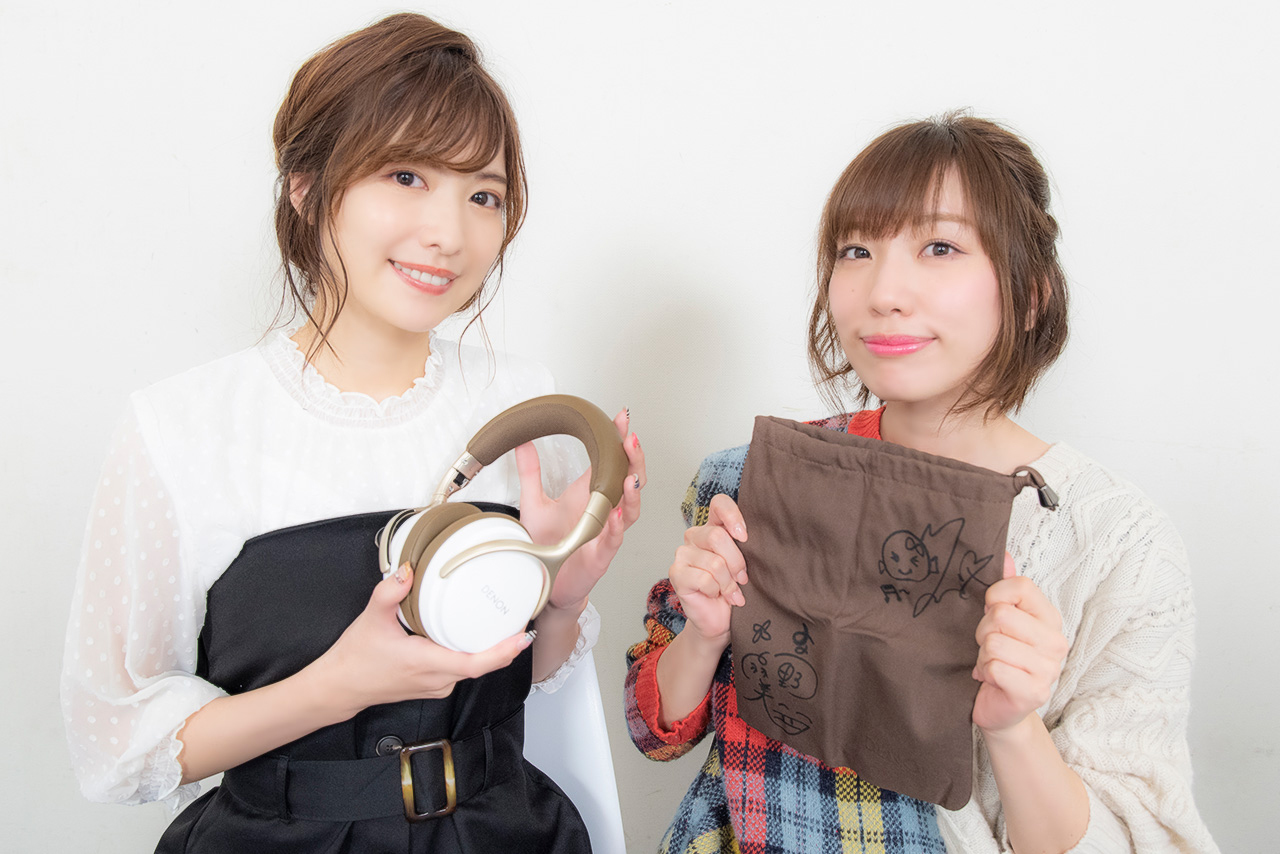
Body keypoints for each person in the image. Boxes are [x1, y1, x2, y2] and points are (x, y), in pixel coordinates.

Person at [60, 13, 644, 853]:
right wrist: (334, 688)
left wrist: (563, 597)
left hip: (507, 831)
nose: (449, 233)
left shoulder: (523, 405)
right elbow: (115, 746)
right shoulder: (181, 427)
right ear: (304, 185)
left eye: (482, 195)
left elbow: (526, 683)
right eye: (406, 175)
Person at [624, 114, 1218, 853]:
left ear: (1030, 293)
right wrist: (706, 636)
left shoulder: (1118, 545)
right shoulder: (747, 477)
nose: (884, 291)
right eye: (856, 250)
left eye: (940, 247)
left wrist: (1012, 726)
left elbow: (1140, 838)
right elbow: (654, 731)